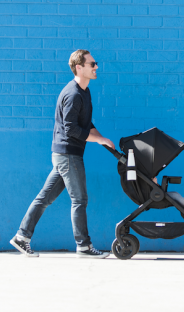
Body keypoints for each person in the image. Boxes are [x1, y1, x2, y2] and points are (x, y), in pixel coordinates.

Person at [10, 49, 116, 258]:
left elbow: (85, 124)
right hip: (68, 154)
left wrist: (102, 138)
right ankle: (84, 246)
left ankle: (22, 237)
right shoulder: (73, 94)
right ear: (79, 67)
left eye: (95, 64)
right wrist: (99, 140)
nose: (96, 67)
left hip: (64, 154)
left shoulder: (84, 92)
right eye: (92, 64)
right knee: (79, 200)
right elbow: (72, 129)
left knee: (45, 198)